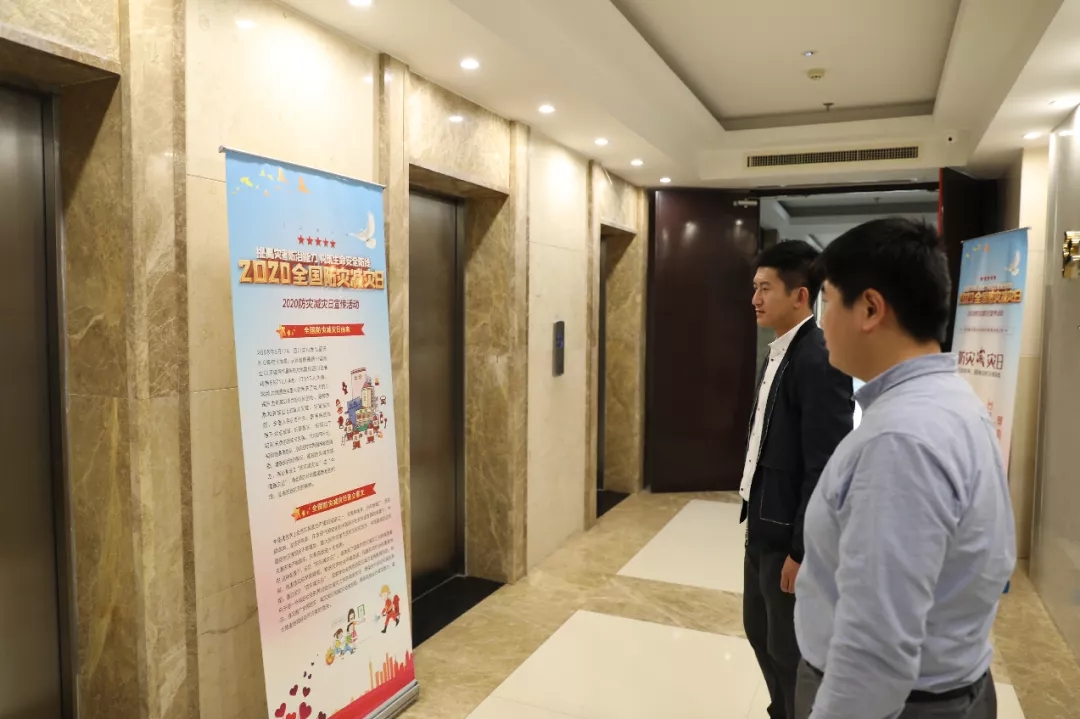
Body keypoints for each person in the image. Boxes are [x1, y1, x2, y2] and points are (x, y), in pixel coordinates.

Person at [794, 218, 1016, 719]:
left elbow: (875, 652)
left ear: (870, 308)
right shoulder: (948, 399)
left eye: (828, 301)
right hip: (944, 689)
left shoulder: (899, 441)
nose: (822, 323)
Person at [740, 240, 854, 719]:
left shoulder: (818, 358)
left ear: (800, 295)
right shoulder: (779, 350)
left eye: (765, 288)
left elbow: (826, 465)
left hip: (788, 532)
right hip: (763, 520)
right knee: (759, 631)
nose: (755, 298)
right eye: (755, 287)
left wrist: (802, 550)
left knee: (788, 651)